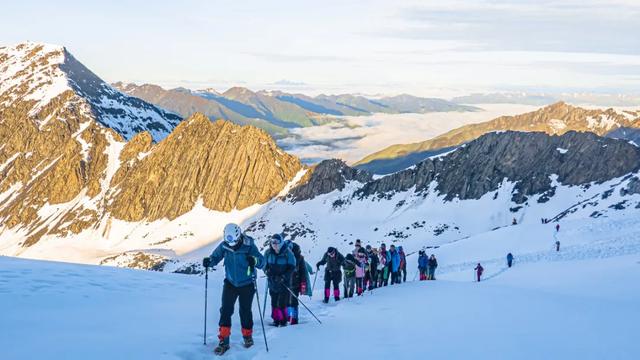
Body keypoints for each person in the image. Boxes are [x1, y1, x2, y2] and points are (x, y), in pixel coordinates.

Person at [203, 223, 265, 355]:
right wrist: (209, 261)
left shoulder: (249, 246)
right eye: (229, 242)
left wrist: (254, 260)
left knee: (245, 311)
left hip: (247, 284)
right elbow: (215, 257)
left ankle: (247, 336)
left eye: (235, 242)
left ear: (239, 237)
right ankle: (224, 340)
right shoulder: (224, 245)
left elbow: (262, 261)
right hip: (230, 283)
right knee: (225, 310)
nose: (232, 245)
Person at [264, 234, 296, 327]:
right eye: (273, 242)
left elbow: (292, 267)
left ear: (281, 242)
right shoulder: (268, 253)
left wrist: (284, 277)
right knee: (274, 302)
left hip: (283, 283)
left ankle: (283, 321)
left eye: (277, 242)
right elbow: (264, 265)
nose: (274, 245)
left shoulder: (288, 253)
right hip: (272, 282)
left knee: (282, 303)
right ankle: (276, 320)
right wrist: (267, 271)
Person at [286, 239, 312, 325]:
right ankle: (287, 317)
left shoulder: (299, 257)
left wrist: (303, 286)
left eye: (289, 248)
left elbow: (303, 272)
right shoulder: (283, 255)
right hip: (284, 283)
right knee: (286, 301)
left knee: (293, 302)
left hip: (295, 283)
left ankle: (294, 319)